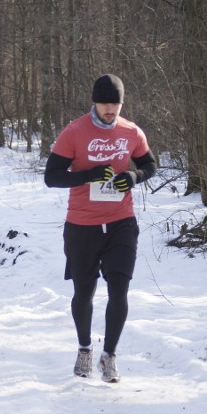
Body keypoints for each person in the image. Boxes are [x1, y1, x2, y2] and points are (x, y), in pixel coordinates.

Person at [44, 74, 157, 383]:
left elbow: (150, 165)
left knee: (119, 288)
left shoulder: (131, 131)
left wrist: (134, 177)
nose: (111, 109)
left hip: (122, 222)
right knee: (84, 292)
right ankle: (84, 348)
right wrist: (87, 175)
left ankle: (110, 355)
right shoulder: (75, 131)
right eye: (106, 103)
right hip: (82, 225)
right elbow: (51, 176)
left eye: (116, 103)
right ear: (95, 101)